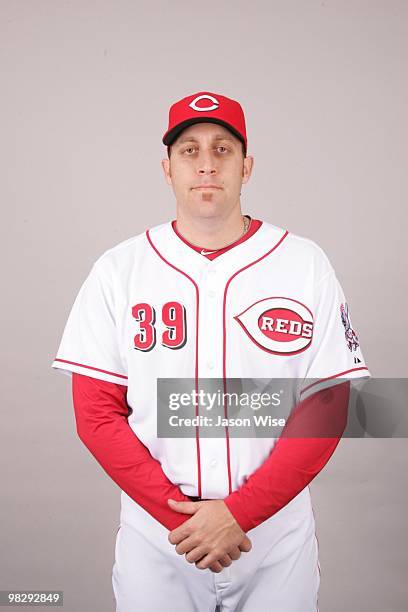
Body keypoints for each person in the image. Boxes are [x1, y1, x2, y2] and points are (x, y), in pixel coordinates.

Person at [52, 91, 371, 611]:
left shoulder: (304, 263)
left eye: (222, 150)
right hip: (159, 537)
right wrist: (185, 522)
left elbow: (329, 406)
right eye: (189, 150)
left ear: (246, 167)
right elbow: (95, 413)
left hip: (273, 536)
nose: (206, 164)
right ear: (167, 168)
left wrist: (239, 514)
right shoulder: (119, 270)